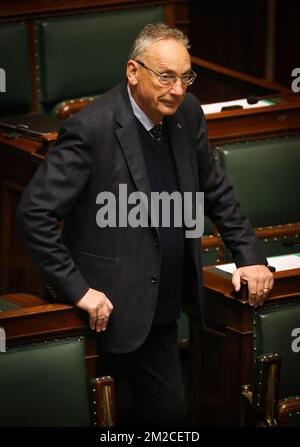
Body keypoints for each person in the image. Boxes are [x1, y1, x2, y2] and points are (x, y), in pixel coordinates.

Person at [16, 23, 274, 427]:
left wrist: (250, 255)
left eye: (185, 77)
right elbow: (34, 214)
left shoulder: (186, 113)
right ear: (133, 72)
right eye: (166, 77)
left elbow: (215, 188)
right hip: (101, 314)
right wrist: (79, 290)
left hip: (163, 309)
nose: (177, 89)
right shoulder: (93, 128)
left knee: (171, 418)